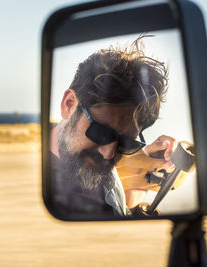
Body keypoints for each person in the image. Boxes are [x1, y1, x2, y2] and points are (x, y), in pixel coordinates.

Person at [49, 38, 177, 218]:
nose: (109, 154)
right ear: (69, 105)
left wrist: (148, 160)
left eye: (125, 144)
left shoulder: (90, 165)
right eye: (101, 133)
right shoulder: (37, 182)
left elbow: (114, 196)